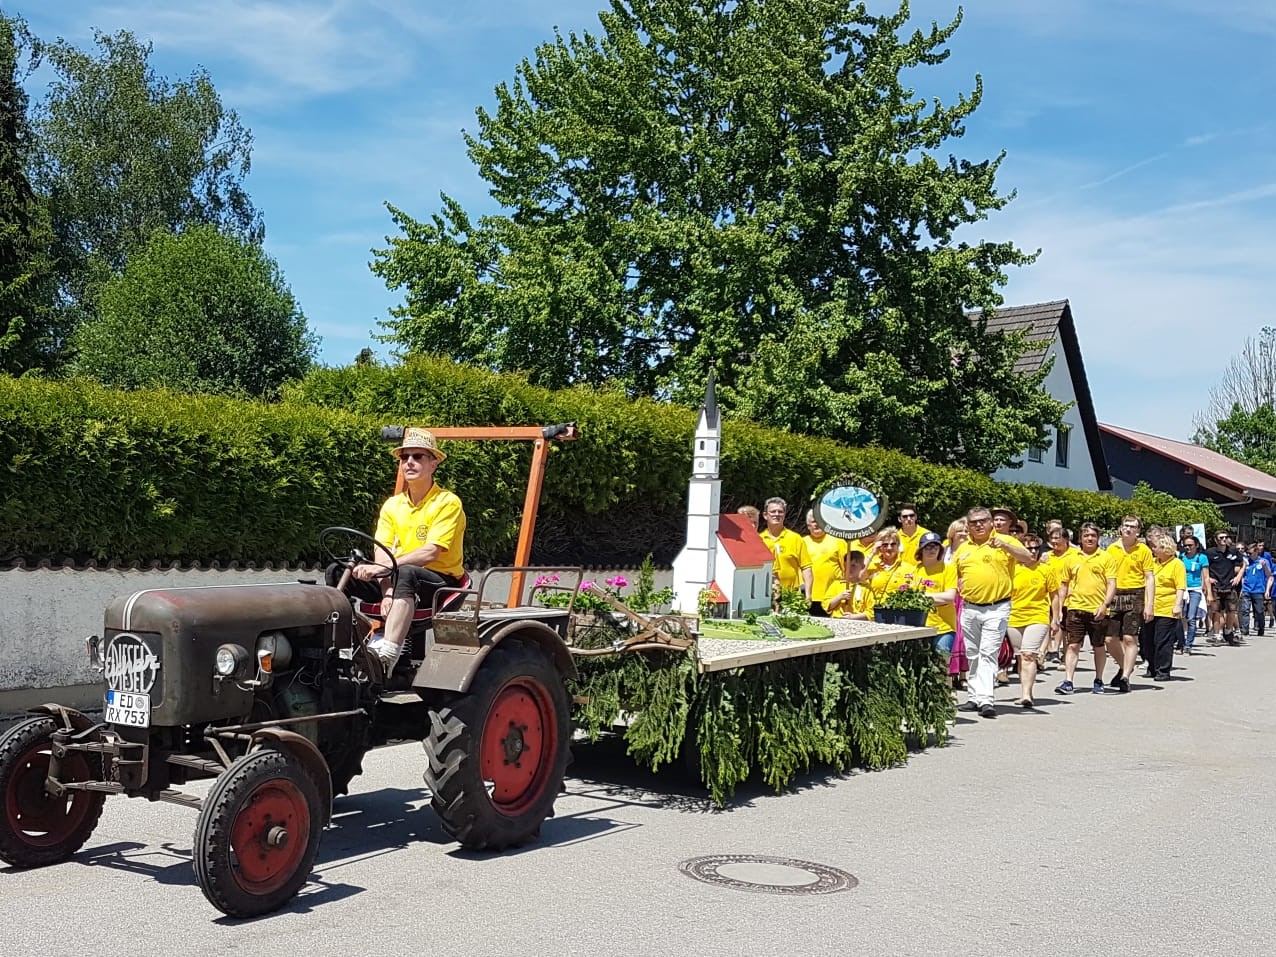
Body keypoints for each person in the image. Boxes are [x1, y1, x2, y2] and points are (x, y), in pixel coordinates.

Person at [341, 427, 467, 667]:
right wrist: (387, 590)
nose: (409, 462)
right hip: (397, 578)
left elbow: (431, 552)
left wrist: (383, 569)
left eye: (417, 456)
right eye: (404, 457)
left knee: (408, 573)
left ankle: (386, 657)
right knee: (340, 572)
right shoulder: (392, 505)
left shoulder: (447, 502)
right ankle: (343, 648)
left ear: (433, 464)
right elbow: (382, 549)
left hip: (441, 584)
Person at [933, 506, 1037, 718]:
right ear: (968, 526)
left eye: (982, 521)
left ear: (990, 522)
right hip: (970, 607)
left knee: (988, 652)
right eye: (973, 522)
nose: (978, 525)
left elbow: (1028, 558)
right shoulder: (963, 549)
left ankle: (986, 700)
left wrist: (1005, 545)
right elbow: (955, 574)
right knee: (973, 653)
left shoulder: (1004, 541)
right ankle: (973, 697)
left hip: (997, 607)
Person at [1056, 522, 1116, 695]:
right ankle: (1068, 680)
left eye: (1093, 536)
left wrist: (1105, 605)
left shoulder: (1106, 558)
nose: (1090, 538)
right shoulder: (1071, 558)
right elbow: (1064, 585)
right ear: (1080, 538)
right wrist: (1061, 608)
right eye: (1086, 535)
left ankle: (1098, 679)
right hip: (1075, 608)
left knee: (1098, 646)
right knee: (1073, 645)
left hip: (1098, 609)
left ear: (1098, 538)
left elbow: (1112, 583)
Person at [1006, 527, 1061, 708]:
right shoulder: (1012, 569)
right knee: (1021, 656)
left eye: (1036, 548)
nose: (1032, 552)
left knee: (1029, 654)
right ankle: (1023, 691)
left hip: (1037, 616)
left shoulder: (1046, 570)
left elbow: (1054, 595)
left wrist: (1055, 618)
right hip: (1014, 617)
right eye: (1028, 548)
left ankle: (1027, 694)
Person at [1104, 514, 1154, 694]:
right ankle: (1125, 664)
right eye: (1126, 525)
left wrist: (1149, 604)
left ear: (1138, 531)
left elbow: (1149, 578)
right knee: (1110, 639)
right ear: (1121, 527)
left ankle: (1125, 676)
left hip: (1136, 593)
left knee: (1129, 637)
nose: (1128, 529)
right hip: (1115, 594)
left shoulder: (1144, 550)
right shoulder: (1111, 549)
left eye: (1132, 526)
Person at [1145, 531, 1186, 681]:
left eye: (1156, 547)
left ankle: (1163, 670)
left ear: (1165, 548)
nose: (1153, 549)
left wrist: (1177, 605)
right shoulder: (1152, 563)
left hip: (1167, 608)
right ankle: (1152, 667)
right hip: (1150, 607)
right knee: (1147, 640)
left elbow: (1180, 587)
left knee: (1163, 641)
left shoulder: (1177, 564)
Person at [915, 531, 958, 666]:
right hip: (920, 626)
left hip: (944, 626)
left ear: (940, 549)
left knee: (942, 664)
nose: (931, 550)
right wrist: (938, 598)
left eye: (935, 546)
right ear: (921, 550)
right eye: (927, 547)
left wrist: (922, 597)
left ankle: (947, 687)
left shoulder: (948, 569)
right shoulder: (914, 570)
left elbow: (950, 597)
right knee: (923, 667)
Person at [760, 497, 810, 596]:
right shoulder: (759, 540)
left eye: (780, 512)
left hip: (792, 594)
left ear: (784, 514)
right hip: (765, 595)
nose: (777, 514)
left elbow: (806, 568)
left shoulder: (795, 538)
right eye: (773, 512)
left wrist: (808, 594)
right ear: (765, 515)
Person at [802, 509, 848, 617]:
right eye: (813, 521)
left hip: (832, 597)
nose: (816, 524)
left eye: (820, 520)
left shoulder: (838, 541)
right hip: (808, 596)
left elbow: (847, 569)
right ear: (808, 525)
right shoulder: (802, 542)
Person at [1205, 531, 1245, 645]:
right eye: (1221, 537)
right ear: (1216, 540)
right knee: (1216, 611)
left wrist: (1239, 576)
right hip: (1216, 586)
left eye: (1226, 537)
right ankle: (1217, 635)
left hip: (1230, 586)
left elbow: (1244, 564)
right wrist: (1208, 578)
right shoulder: (1210, 553)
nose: (1224, 539)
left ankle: (1228, 632)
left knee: (1232, 611)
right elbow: (1204, 567)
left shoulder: (1233, 551)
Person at [865, 526, 916, 606]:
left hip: (898, 613)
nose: (889, 548)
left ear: (898, 545)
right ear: (879, 547)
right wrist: (872, 553)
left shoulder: (909, 568)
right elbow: (858, 577)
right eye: (885, 545)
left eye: (893, 544)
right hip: (873, 613)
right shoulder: (871, 565)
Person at [1177, 534, 1210, 654]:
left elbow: (1206, 577)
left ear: (1196, 545)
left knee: (1191, 617)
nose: (1187, 548)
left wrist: (1209, 593)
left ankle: (1188, 644)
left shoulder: (1202, 558)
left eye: (1190, 545)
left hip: (1195, 590)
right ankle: (1181, 642)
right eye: (1185, 545)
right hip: (1182, 589)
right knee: (1179, 617)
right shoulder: (1180, 557)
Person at [1239, 541, 1272, 636]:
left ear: (1256, 551)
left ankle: (1260, 628)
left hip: (1258, 590)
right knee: (1245, 610)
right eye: (1248, 553)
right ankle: (1245, 630)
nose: (1249, 555)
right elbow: (1243, 576)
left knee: (1259, 611)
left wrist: (1267, 590)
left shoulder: (1262, 561)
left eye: (1251, 553)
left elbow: (1269, 575)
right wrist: (1242, 588)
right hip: (1247, 589)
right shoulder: (1246, 562)